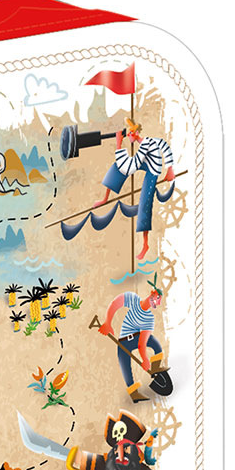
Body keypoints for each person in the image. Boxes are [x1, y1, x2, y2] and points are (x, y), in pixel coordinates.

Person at [95, 119, 175, 259]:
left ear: (137, 133)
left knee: (145, 202)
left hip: (153, 171)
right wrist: (169, 167)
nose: (129, 136)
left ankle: (145, 245)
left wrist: (118, 144)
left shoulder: (144, 145)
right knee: (117, 167)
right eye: (128, 133)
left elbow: (131, 166)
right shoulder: (146, 141)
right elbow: (163, 144)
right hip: (146, 162)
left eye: (131, 133)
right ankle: (105, 198)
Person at [100, 275, 168, 402]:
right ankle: (134, 394)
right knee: (125, 365)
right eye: (158, 298)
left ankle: (155, 368)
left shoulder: (149, 319)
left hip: (136, 338)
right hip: (123, 342)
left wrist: (145, 359)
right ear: (152, 293)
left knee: (155, 344)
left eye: (159, 301)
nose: (158, 303)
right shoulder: (133, 299)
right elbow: (115, 304)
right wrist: (108, 323)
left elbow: (143, 341)